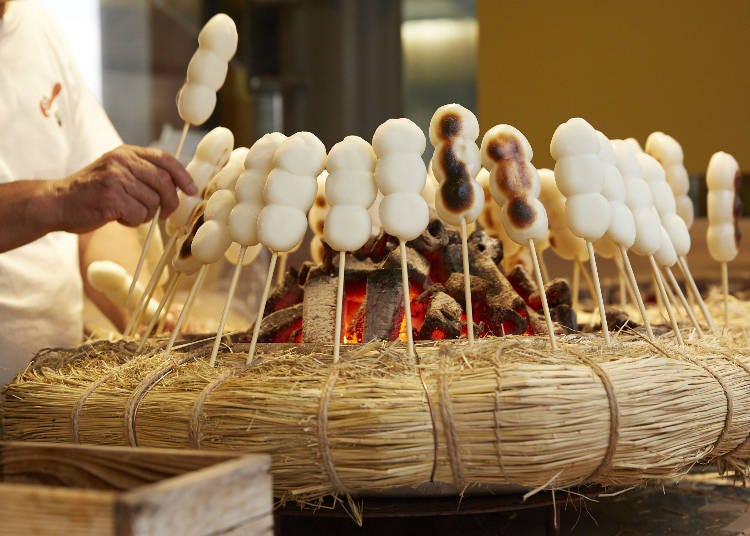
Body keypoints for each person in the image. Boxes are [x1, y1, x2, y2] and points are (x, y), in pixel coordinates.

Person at [0, 0, 197, 386]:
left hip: (48, 396)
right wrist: (54, 201)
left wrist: (139, 313)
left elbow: (98, 214)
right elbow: (69, 199)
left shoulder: (38, 27)